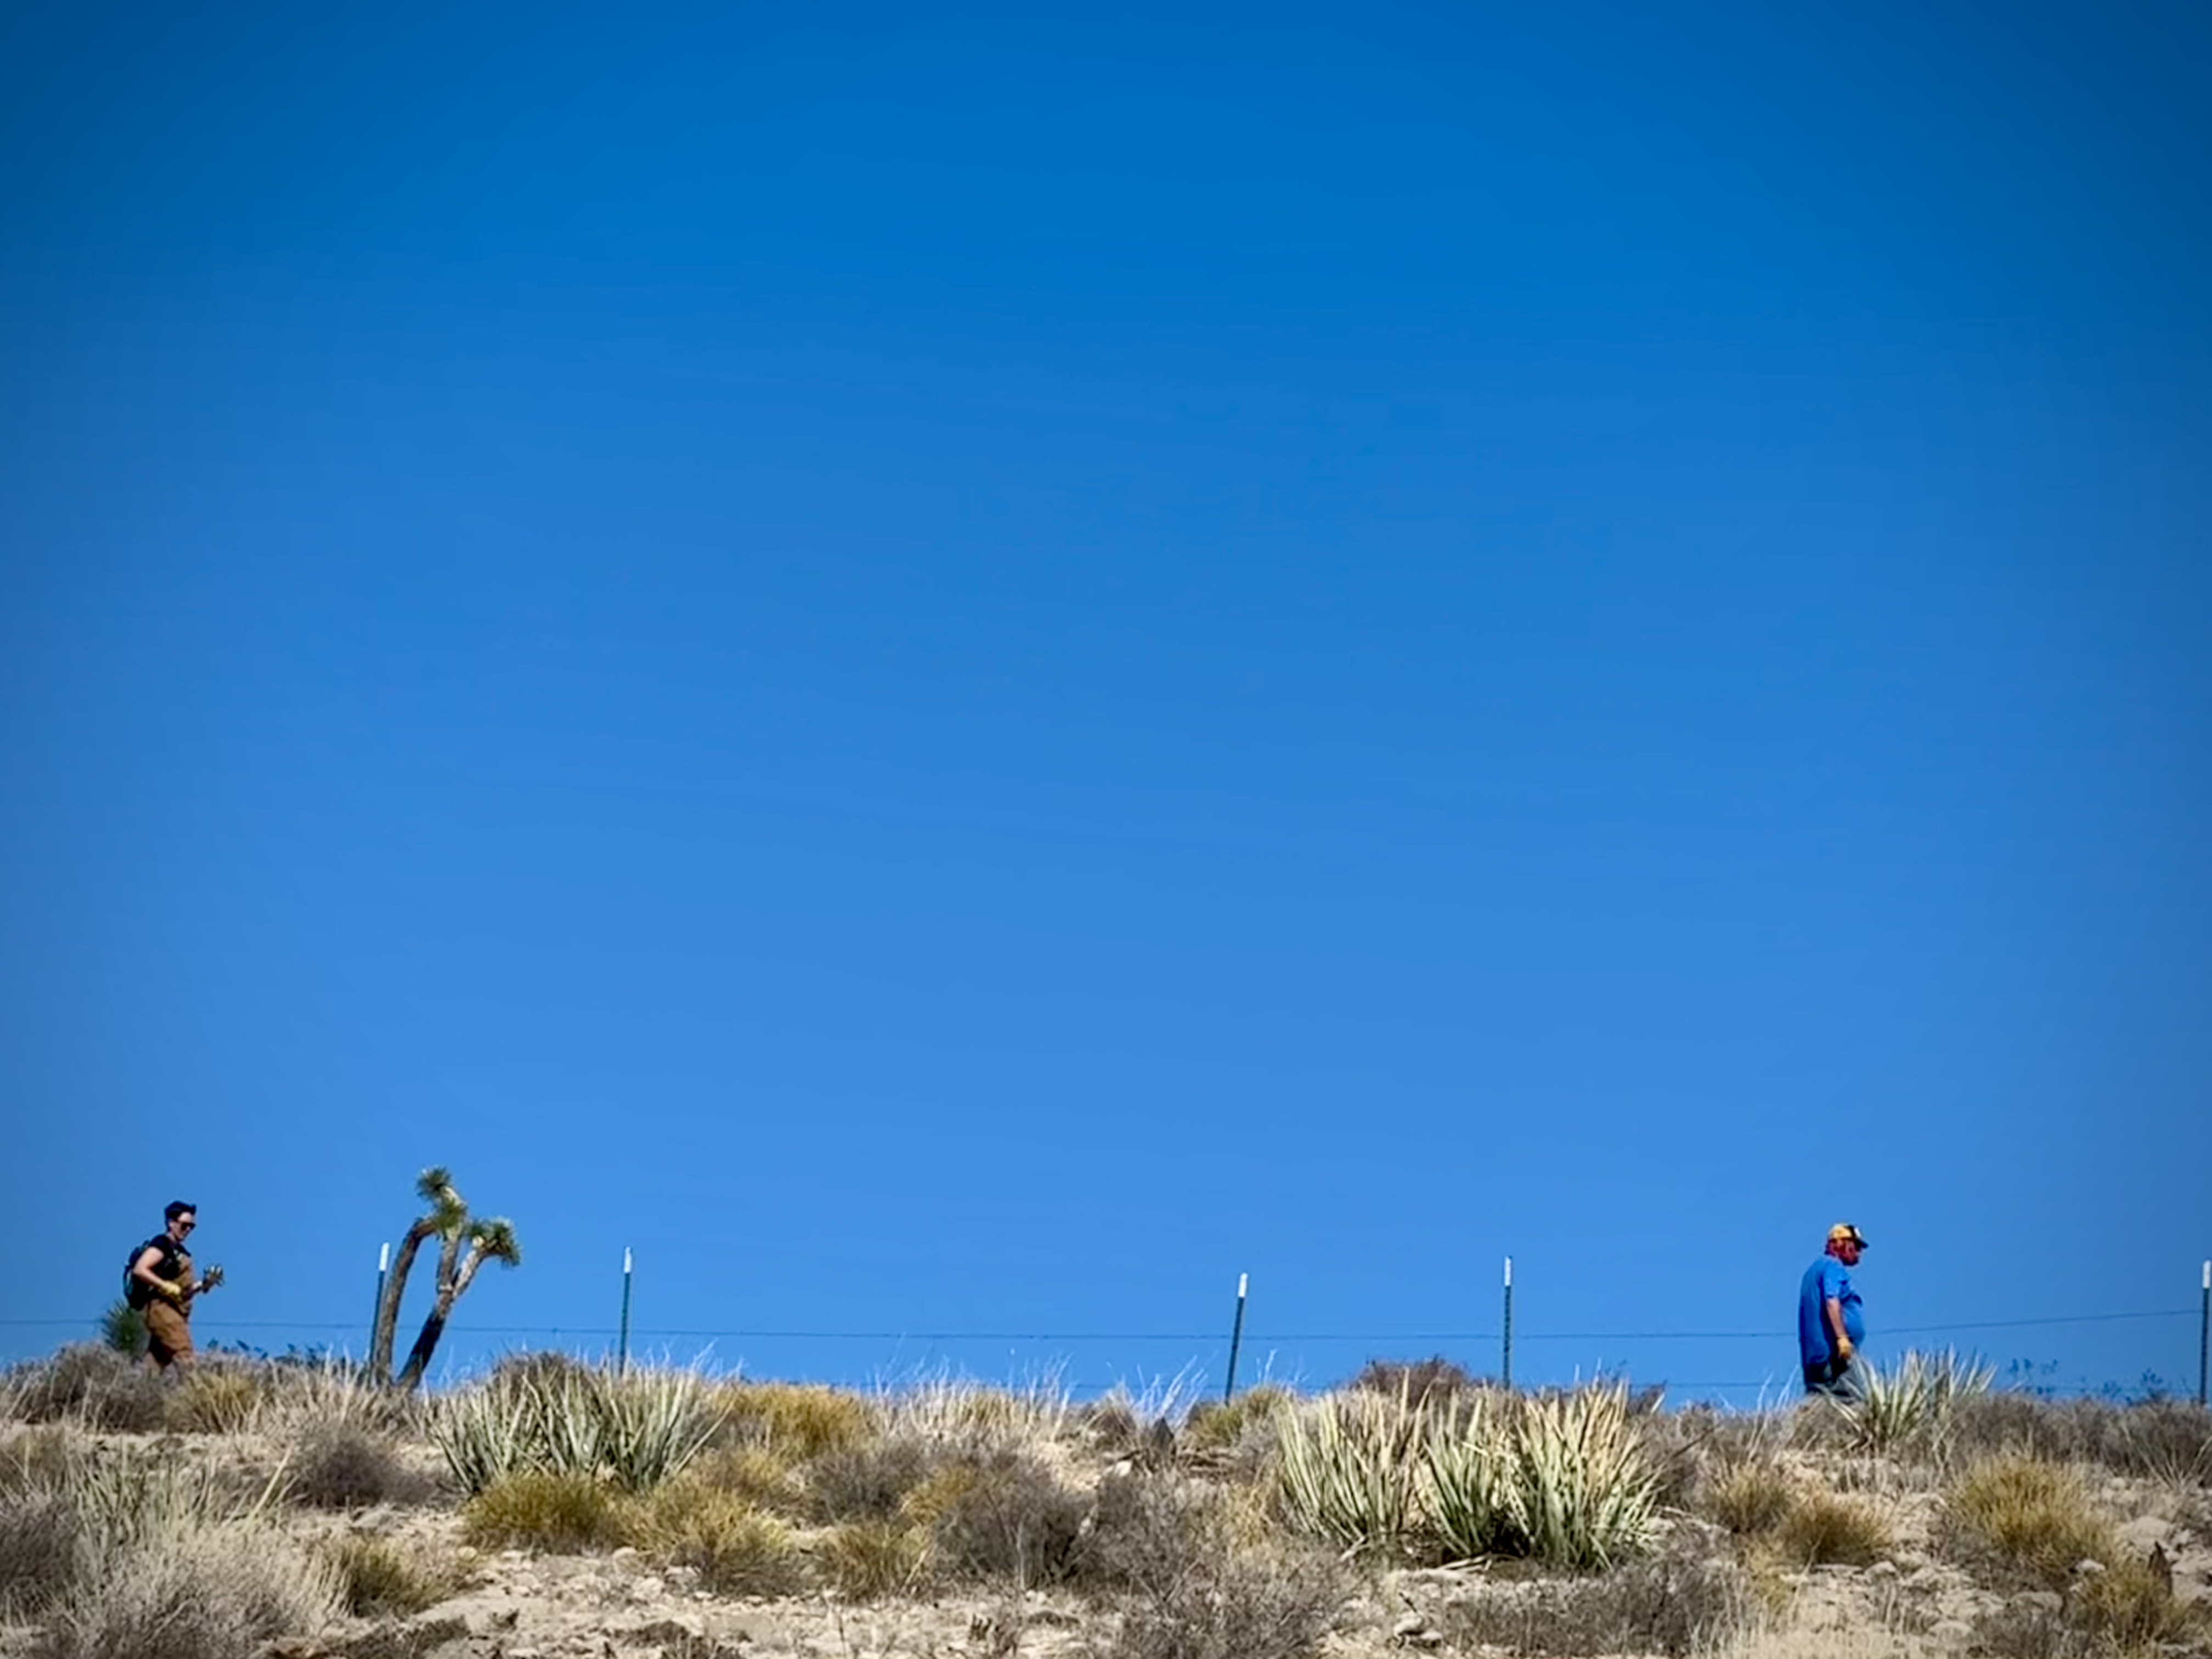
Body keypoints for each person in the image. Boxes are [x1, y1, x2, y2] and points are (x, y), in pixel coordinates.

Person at [129, 1200, 206, 1372]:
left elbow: (182, 1291)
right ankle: (196, 1394)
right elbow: (140, 1269)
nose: (188, 1230)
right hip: (162, 1309)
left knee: (155, 1364)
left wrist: (203, 1285)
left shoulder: (180, 1252)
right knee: (185, 1354)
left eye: (191, 1227)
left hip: (175, 1310)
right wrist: (164, 1286)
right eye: (184, 1225)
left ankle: (137, 1392)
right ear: (171, 1223)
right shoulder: (162, 1244)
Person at [1798, 1222, 1869, 1400]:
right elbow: (1832, 1300)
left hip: (1814, 1354)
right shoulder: (1833, 1267)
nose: (1859, 1253)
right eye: (1855, 1246)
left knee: (1819, 1405)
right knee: (1851, 1400)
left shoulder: (1813, 1271)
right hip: (1834, 1353)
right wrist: (1842, 1338)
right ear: (1839, 1244)